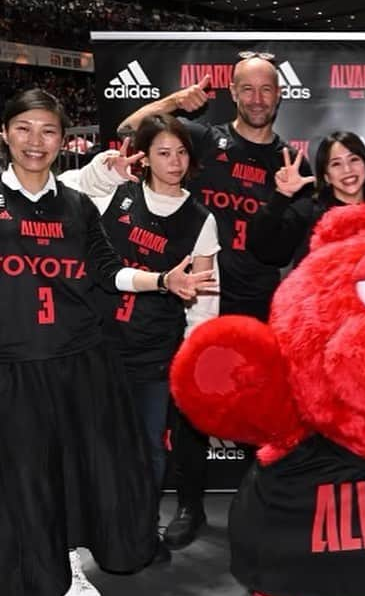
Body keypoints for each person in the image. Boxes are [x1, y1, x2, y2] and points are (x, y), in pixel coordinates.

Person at [0, 89, 215, 596]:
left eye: (48, 131)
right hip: (14, 362)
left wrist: (163, 279)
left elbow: (107, 269)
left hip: (77, 358)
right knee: (24, 473)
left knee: (73, 468)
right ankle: (34, 575)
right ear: (4, 134)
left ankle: (68, 560)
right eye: (24, 128)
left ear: (61, 139)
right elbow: (105, 170)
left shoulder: (73, 205)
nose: (36, 141)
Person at [117, 53, 311, 549]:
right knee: (188, 410)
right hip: (193, 298)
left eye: (267, 89)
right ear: (232, 93)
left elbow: (283, 249)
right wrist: (177, 102)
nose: (257, 99)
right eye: (247, 89)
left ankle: (253, 506)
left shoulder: (292, 162)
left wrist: (283, 200)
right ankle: (189, 507)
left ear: (280, 96)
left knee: (252, 411)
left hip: (256, 303)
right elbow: (128, 127)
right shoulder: (204, 138)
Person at [61, 115, 220, 539]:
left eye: (181, 152)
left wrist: (192, 352)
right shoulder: (116, 192)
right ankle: (96, 528)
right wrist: (104, 167)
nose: (174, 161)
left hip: (154, 349)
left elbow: (205, 298)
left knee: (150, 445)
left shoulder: (200, 218)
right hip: (99, 342)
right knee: (95, 443)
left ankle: (141, 528)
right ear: (145, 158)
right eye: (163, 153)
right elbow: (62, 186)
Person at [248, 130, 365, 266]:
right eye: (336, 164)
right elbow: (265, 249)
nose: (347, 170)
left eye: (354, 159)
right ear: (326, 176)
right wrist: (282, 194)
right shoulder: (308, 212)